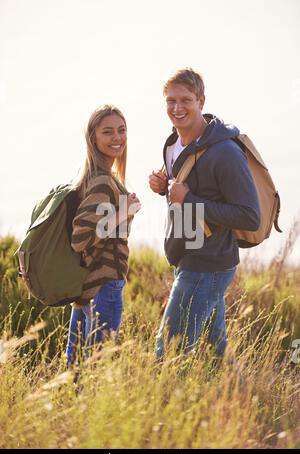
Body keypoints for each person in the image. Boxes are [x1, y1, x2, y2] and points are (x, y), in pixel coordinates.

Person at [149, 68, 260, 360]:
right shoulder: (173, 144)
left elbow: (249, 216)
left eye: (186, 100)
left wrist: (189, 199)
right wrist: (164, 189)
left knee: (168, 351)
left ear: (201, 101)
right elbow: (184, 193)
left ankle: (166, 404)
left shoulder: (225, 152)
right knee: (215, 352)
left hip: (209, 263)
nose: (177, 108)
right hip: (186, 256)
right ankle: (237, 398)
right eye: (171, 101)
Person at [66, 105, 140, 367]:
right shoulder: (100, 181)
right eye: (107, 132)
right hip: (104, 286)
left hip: (87, 287)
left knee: (76, 371)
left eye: (121, 130)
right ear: (93, 138)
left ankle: (73, 408)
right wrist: (124, 212)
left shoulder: (97, 177)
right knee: (97, 367)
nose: (117, 137)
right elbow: (80, 238)